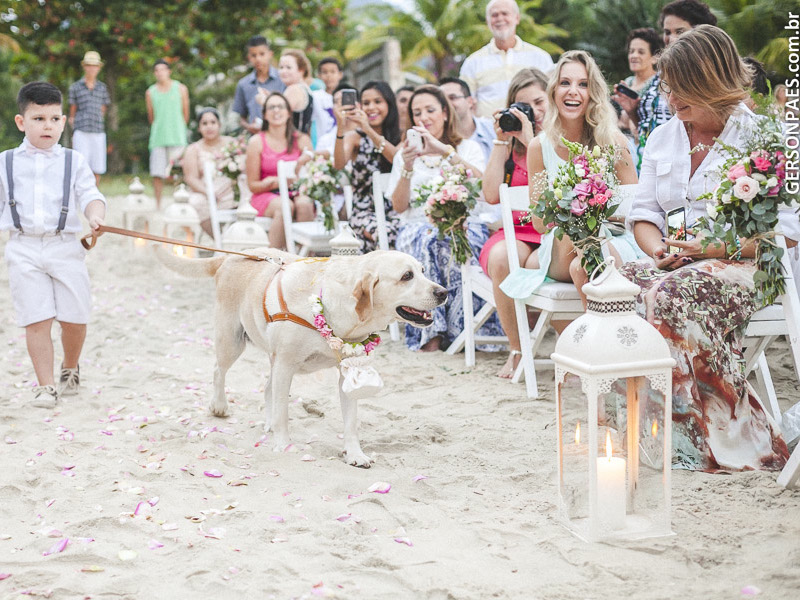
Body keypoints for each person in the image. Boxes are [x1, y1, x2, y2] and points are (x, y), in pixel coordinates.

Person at [624, 26, 800, 471]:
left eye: (682, 88)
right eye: (668, 87)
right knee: (617, 288)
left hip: (750, 265)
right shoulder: (664, 137)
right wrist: (657, 248)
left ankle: (721, 440)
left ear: (712, 80)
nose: (671, 99)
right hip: (681, 263)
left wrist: (714, 246)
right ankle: (646, 425)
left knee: (671, 294)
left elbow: (790, 229)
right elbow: (643, 212)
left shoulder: (765, 136)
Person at [500, 51, 640, 308]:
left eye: (583, 84)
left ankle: (593, 336)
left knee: (583, 263)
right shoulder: (538, 146)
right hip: (562, 245)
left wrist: (596, 208)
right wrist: (574, 206)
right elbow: (541, 223)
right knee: (578, 242)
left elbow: (635, 209)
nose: (572, 91)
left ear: (593, 94)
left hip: (613, 241)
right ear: (553, 91)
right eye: (565, 83)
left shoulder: (615, 142)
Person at [0, 82, 106, 407]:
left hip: (65, 246)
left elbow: (90, 194)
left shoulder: (73, 161)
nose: (48, 126)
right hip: (23, 246)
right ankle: (45, 386)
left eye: (54, 119)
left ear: (63, 121)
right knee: (37, 318)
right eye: (38, 118)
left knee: (75, 319)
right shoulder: (5, 162)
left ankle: (70, 366)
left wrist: (96, 216)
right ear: (22, 122)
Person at [389, 85, 501, 352]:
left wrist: (444, 152)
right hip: (417, 227)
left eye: (430, 110)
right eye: (417, 113)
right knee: (430, 240)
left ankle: (463, 328)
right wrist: (406, 167)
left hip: (464, 223)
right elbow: (399, 206)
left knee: (450, 238)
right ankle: (432, 331)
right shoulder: (403, 155)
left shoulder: (467, 147)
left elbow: (486, 189)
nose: (424, 117)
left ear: (444, 113)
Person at [479, 68, 549, 378]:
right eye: (524, 106)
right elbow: (491, 194)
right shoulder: (509, 146)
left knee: (537, 266)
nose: (533, 112)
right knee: (503, 258)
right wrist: (501, 141)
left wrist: (533, 140)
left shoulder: (561, 140)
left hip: (551, 231)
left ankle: (568, 345)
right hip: (516, 233)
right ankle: (518, 348)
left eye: (539, 102)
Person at [612, 1, 717, 171]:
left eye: (679, 31)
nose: (671, 38)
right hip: (647, 163)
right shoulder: (657, 77)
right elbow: (647, 129)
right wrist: (633, 112)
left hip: (682, 168)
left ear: (700, 32)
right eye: (667, 32)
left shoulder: (706, 78)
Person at [333, 81, 401, 252]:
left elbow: (396, 160)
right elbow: (339, 164)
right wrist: (341, 127)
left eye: (378, 102)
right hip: (364, 213)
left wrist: (369, 130)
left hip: (397, 210)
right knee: (385, 233)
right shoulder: (354, 137)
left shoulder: (401, 135)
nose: (371, 107)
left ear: (388, 104)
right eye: (366, 103)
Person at [459, 0, 554, 119]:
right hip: (489, 135)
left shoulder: (540, 57)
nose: (500, 18)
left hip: (535, 132)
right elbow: (466, 105)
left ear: (517, 18)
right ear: (488, 22)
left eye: (505, 13)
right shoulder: (472, 63)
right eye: (494, 15)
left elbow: (552, 99)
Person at [246, 92, 314, 249]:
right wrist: (276, 182)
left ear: (289, 112)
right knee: (285, 207)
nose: (276, 111)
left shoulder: (302, 139)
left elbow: (312, 175)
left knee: (304, 204)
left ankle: (305, 258)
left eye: (280, 107)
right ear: (264, 114)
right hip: (267, 194)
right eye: (271, 107)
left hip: (297, 191)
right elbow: (253, 185)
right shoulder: (257, 142)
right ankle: (274, 258)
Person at [181, 108, 236, 237]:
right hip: (205, 191)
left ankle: (234, 238)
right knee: (195, 203)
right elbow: (191, 178)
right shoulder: (193, 149)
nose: (209, 127)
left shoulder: (232, 144)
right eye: (204, 124)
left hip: (231, 190)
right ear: (199, 128)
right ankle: (219, 241)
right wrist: (209, 193)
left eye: (213, 122)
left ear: (219, 125)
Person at [145, 59, 189, 208]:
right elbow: (151, 117)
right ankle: (158, 204)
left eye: (163, 69)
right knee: (157, 173)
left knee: (178, 173)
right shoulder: (150, 92)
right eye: (157, 70)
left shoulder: (180, 88)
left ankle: (178, 203)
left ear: (169, 71)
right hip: (158, 138)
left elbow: (186, 114)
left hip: (177, 137)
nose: (160, 73)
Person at [68, 50, 111, 185]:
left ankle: (94, 196)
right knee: (80, 166)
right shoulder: (76, 87)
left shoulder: (102, 88)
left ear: (98, 68)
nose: (92, 68)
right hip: (81, 129)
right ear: (84, 66)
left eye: (95, 66)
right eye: (89, 65)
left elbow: (103, 108)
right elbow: (72, 109)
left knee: (97, 166)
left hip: (98, 130)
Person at [233, 36, 286, 135]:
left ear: (270, 54)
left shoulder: (283, 79)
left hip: (281, 136)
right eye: (254, 55)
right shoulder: (243, 84)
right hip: (256, 138)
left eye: (262, 54)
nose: (258, 59)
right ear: (249, 57)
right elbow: (241, 118)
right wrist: (249, 127)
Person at [439, 77, 496, 163]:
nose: (447, 104)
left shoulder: (493, 129)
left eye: (452, 97)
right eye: (442, 100)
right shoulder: (438, 138)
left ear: (470, 101)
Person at [312, 57, 345, 153]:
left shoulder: (347, 96)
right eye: (325, 72)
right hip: (321, 148)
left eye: (333, 72)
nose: (329, 76)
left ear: (340, 74)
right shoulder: (315, 97)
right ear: (318, 76)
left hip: (343, 147)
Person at [279, 49, 314, 135]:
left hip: (293, 143)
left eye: (288, 67)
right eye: (281, 67)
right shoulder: (305, 88)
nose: (284, 71)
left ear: (301, 70)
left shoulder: (294, 89)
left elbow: (278, 114)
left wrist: (264, 101)